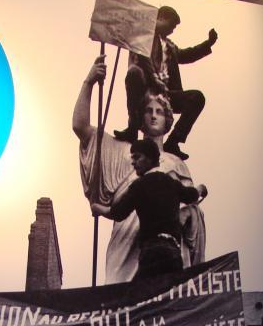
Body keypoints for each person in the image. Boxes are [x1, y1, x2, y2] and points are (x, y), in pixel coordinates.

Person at [74, 56, 205, 283]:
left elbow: (189, 204)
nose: (154, 115)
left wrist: (190, 214)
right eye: (148, 110)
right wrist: (89, 82)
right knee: (119, 301)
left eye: (160, 111)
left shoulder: (176, 163)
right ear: (139, 117)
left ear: (168, 120)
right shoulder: (122, 149)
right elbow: (81, 127)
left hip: (166, 247)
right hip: (127, 243)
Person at [90, 138, 207, 280]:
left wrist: (97, 208)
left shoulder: (139, 186)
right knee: (169, 296)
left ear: (150, 158)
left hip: (152, 252)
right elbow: (192, 195)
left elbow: (117, 213)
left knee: (138, 296)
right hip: (173, 254)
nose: (133, 163)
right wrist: (201, 188)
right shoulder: (171, 184)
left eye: (137, 157)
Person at [113, 6, 218, 161]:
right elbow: (142, 58)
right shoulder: (143, 35)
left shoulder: (170, 46)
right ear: (161, 18)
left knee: (197, 97)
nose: (172, 30)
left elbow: (187, 55)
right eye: (172, 25)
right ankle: (132, 128)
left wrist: (208, 43)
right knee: (134, 73)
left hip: (167, 94)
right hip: (146, 87)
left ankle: (174, 141)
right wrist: (154, 78)